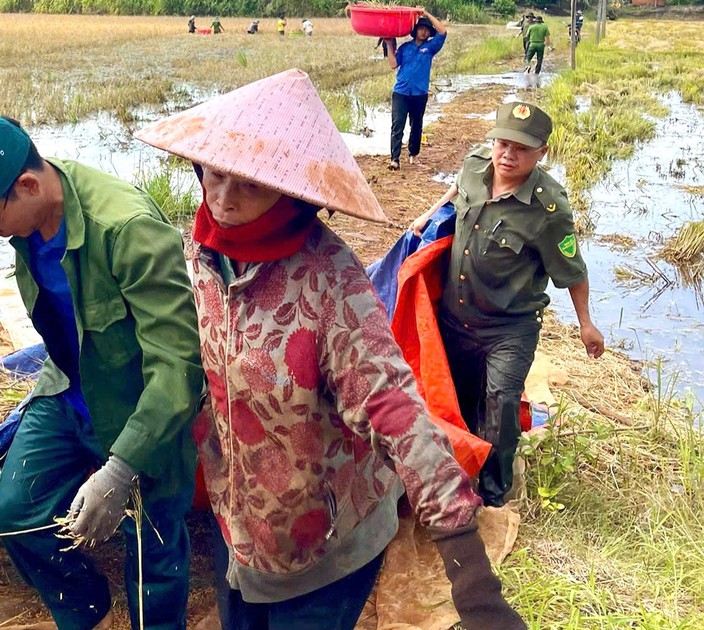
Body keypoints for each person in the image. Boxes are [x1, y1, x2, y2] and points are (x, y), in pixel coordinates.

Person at [135, 69, 525, 630]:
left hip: (325, 542)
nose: (223, 199)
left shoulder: (329, 282)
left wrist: (470, 574)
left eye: (249, 184)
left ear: (290, 191)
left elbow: (395, 408)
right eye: (215, 175)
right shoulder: (199, 254)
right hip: (237, 526)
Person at [0, 115, 204, 630]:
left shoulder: (126, 229)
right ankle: (87, 611)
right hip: (67, 390)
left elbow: (180, 366)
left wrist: (121, 469)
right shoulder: (28, 222)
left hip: (140, 407)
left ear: (27, 186)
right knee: (15, 513)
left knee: (153, 549)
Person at [409, 102, 604, 507]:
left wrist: (586, 324)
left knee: (500, 407)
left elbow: (573, 270)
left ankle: (494, 497)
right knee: (455, 401)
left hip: (509, 329)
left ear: (542, 153)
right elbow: (457, 188)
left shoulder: (549, 210)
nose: (507, 154)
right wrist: (428, 214)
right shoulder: (475, 163)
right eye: (502, 142)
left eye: (521, 148)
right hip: (456, 317)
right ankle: (458, 478)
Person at [386, 8, 447, 170]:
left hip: (419, 94)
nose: (424, 31)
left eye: (427, 29)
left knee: (416, 125)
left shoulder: (431, 47)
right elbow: (393, 64)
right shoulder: (405, 47)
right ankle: (395, 159)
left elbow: (442, 31)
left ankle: (413, 155)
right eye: (421, 28)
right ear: (415, 30)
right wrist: (387, 44)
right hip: (401, 92)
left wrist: (426, 14)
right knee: (397, 125)